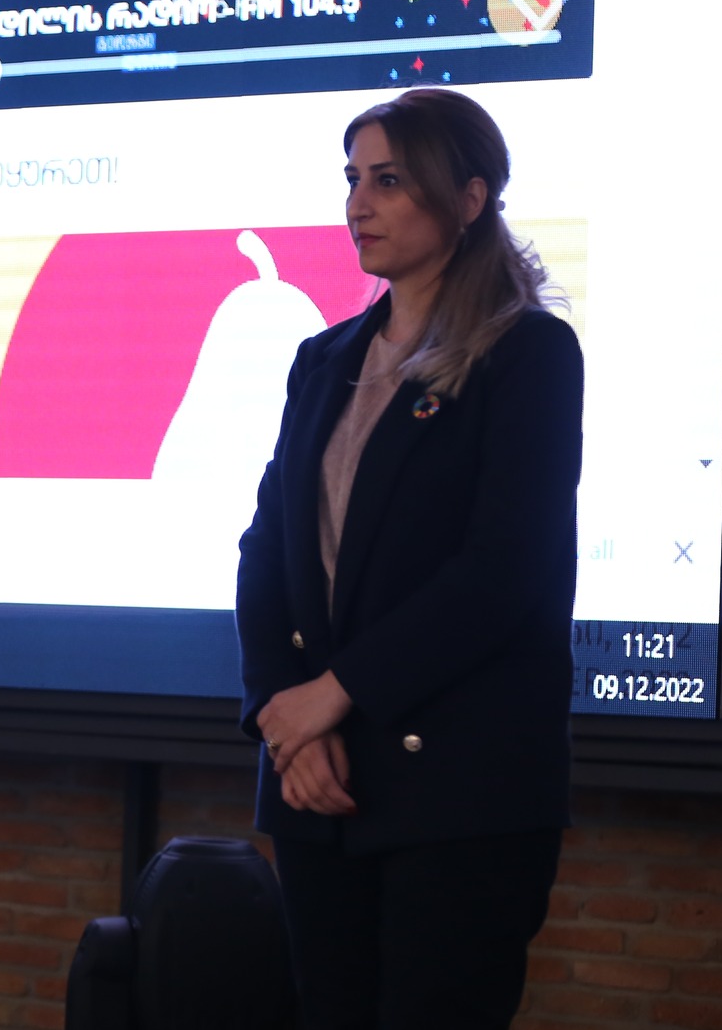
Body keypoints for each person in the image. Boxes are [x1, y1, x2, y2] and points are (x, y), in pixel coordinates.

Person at [234, 88, 583, 1027]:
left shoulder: (529, 353)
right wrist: (284, 715)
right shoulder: (323, 359)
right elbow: (267, 549)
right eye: (353, 179)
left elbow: (503, 571)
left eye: (388, 181)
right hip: (318, 784)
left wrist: (335, 693)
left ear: (469, 197)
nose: (359, 204)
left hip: (461, 793)